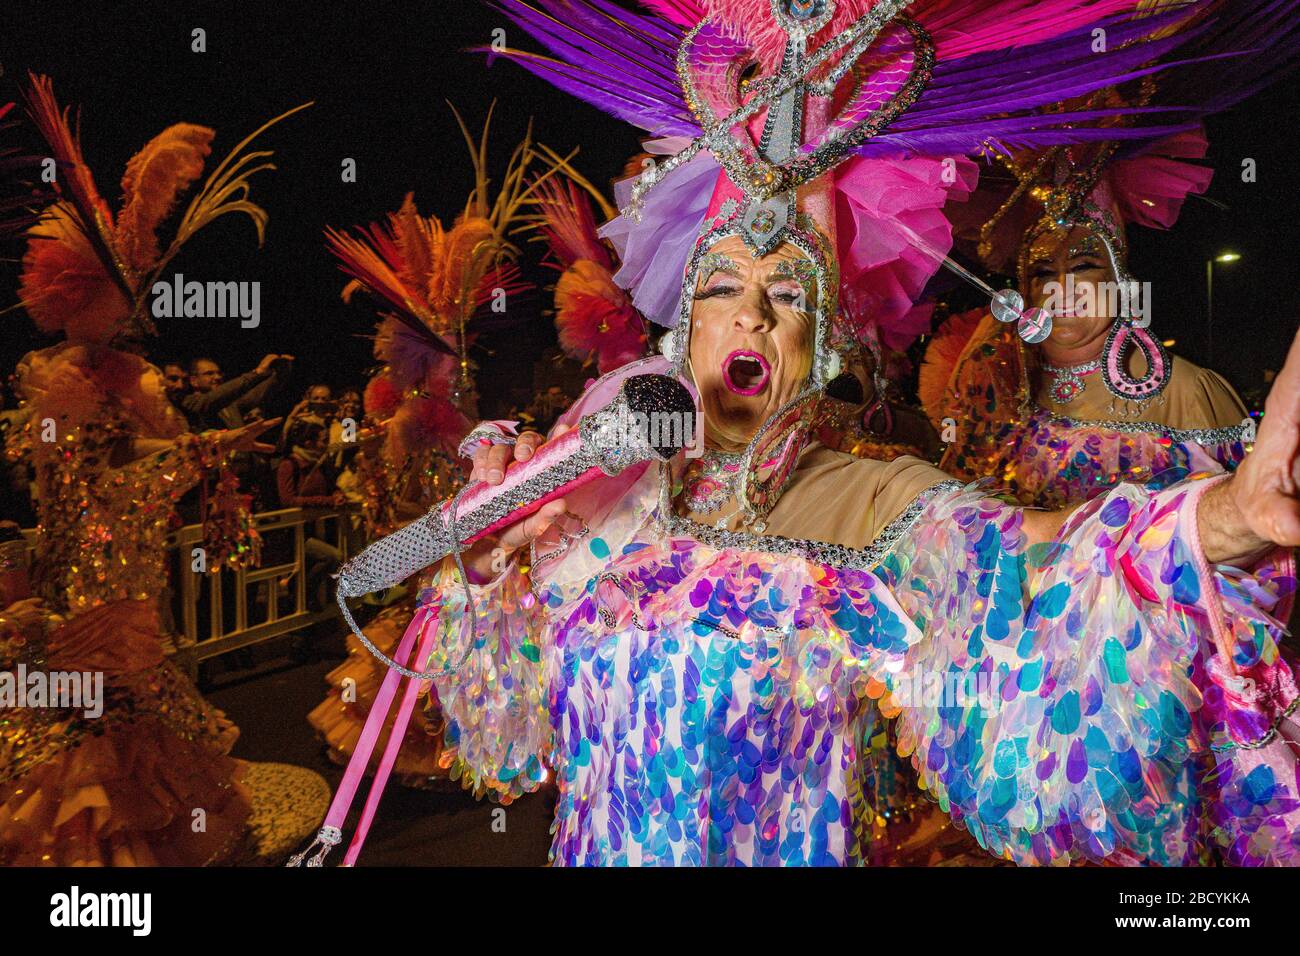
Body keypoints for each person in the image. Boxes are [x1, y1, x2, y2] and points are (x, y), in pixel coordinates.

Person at [304, 1, 1300, 867]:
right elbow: (509, 745)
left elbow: (1043, 566)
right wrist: (484, 568)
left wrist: (1222, 517)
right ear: (682, 327)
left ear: (820, 343)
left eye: (785, 295)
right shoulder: (599, 485)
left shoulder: (869, 500)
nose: (749, 317)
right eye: (723, 290)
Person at [1, 74, 327, 865]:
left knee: (135, 701)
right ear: (83, 296)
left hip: (128, 577)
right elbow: (101, 483)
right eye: (126, 291)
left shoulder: (127, 384)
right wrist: (203, 453)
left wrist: (212, 450)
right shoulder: (67, 386)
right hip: (95, 584)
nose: (137, 305)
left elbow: (150, 460)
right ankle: (101, 857)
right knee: (99, 713)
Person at [923, 123, 1251, 510]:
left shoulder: (1190, 392)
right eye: (1044, 272)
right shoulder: (998, 391)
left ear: (1119, 280)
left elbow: (1244, 527)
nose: (1062, 287)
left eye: (1083, 266)